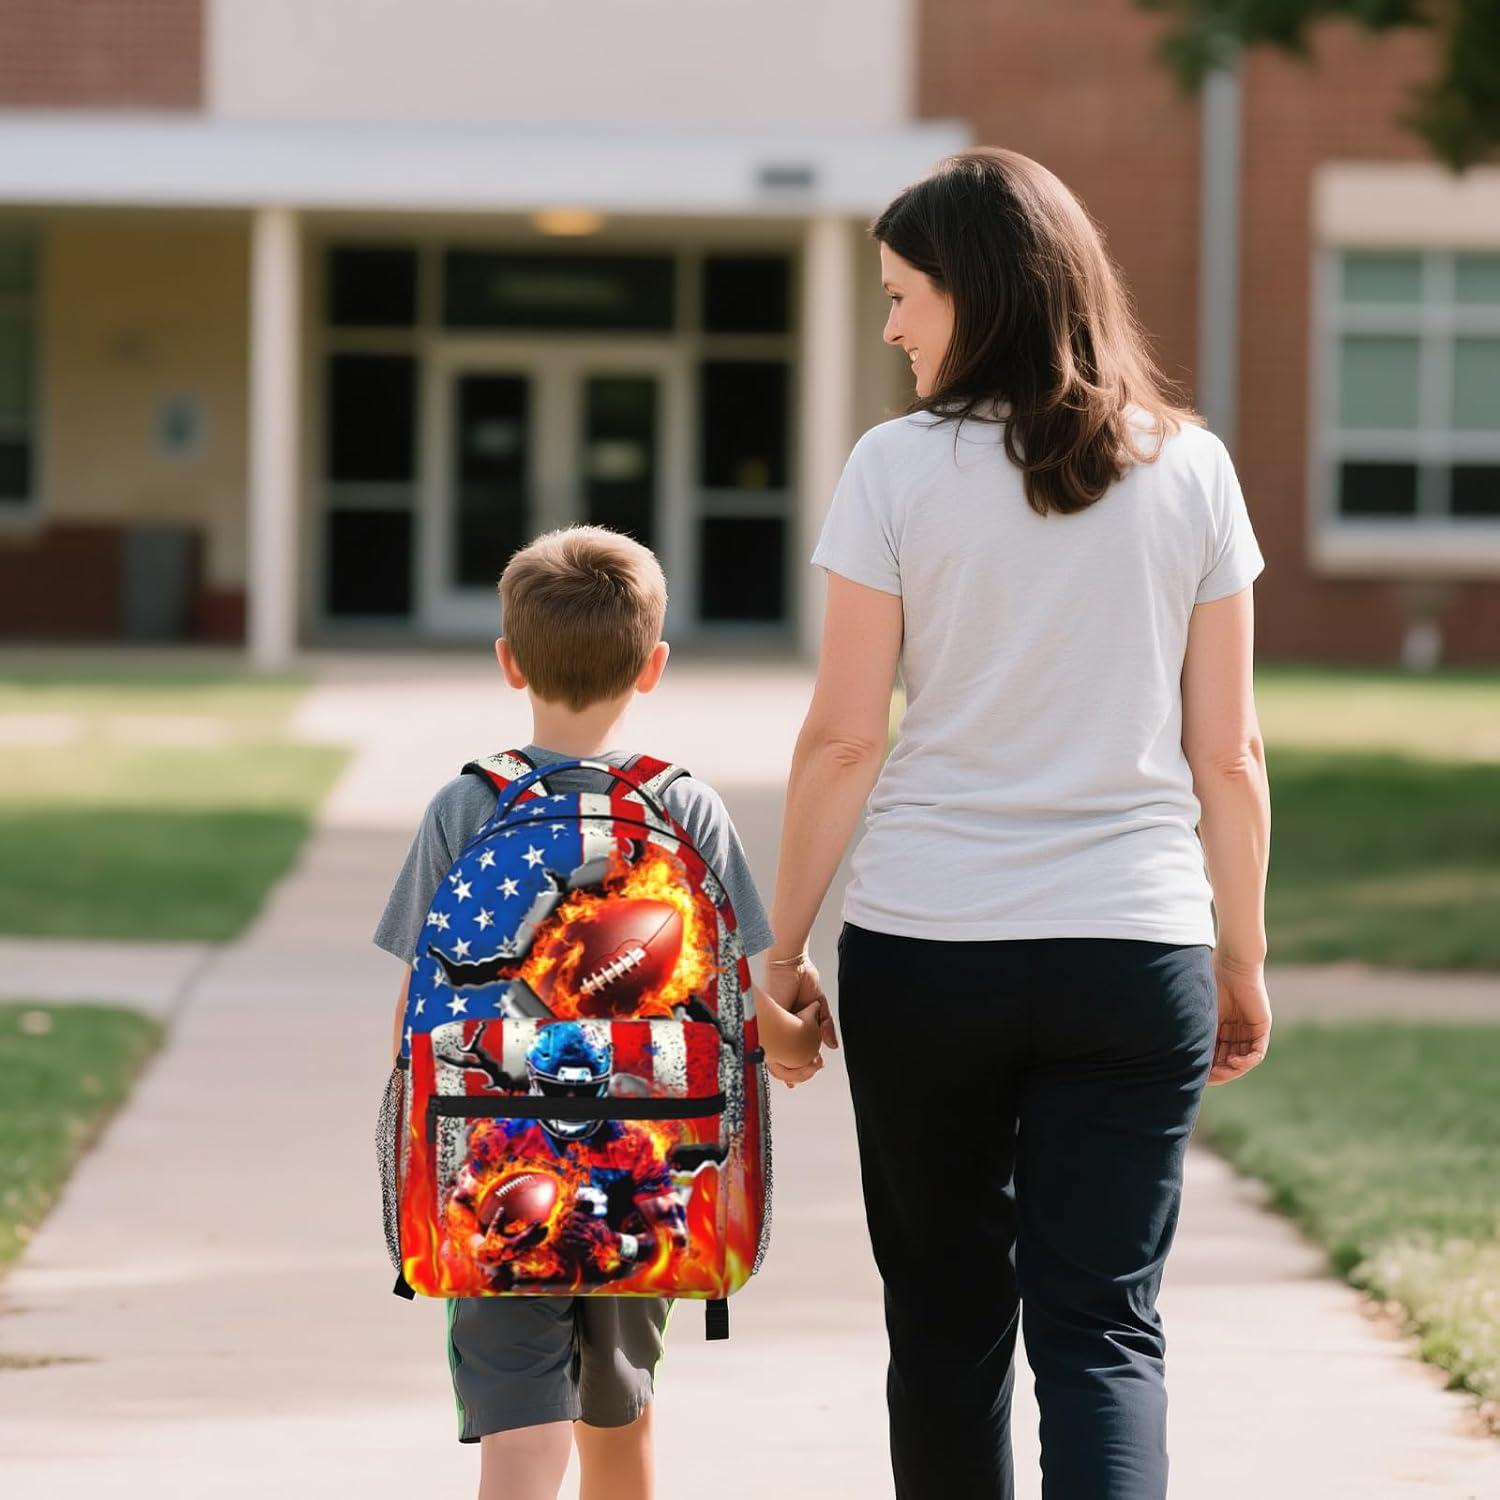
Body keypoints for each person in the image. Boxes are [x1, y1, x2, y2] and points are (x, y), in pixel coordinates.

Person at [758, 146, 1273, 1499]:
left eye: (903, 295)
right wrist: (1241, 955)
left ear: (974, 295)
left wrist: (782, 950)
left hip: (935, 949)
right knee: (1103, 1329)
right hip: (1136, 950)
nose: (889, 325)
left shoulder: (897, 468)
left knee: (943, 1324)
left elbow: (845, 735)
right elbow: (1228, 750)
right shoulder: (1195, 469)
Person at [372, 523, 825, 1500]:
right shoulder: (684, 808)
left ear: (508, 662)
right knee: (620, 1416)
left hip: (491, 1167)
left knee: (521, 1430)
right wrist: (796, 1043)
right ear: (652, 666)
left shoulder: (466, 804)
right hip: (647, 1161)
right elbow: (734, 998)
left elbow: (422, 1001)